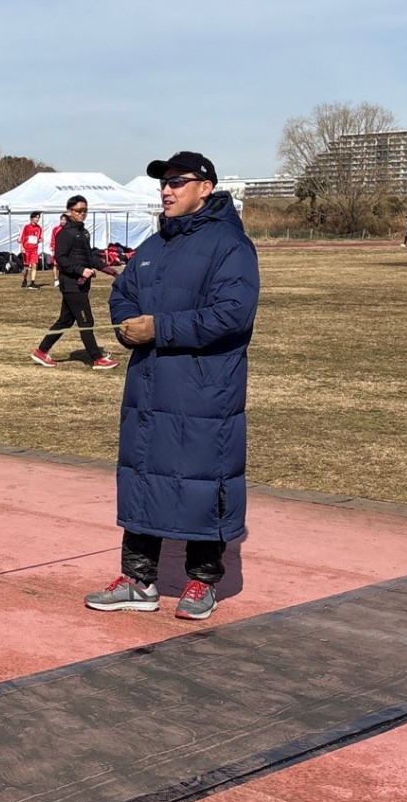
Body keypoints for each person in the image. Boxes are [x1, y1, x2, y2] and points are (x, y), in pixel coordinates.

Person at [85, 152, 258, 621]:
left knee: (205, 480)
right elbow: (123, 293)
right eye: (163, 182)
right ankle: (138, 579)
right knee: (142, 476)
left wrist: (159, 328)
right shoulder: (154, 244)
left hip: (204, 389)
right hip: (149, 386)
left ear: (205, 187)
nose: (166, 190)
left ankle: (202, 581)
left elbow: (232, 315)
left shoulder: (230, 245)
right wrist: (126, 324)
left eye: (177, 182)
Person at [31, 196, 117, 370]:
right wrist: (80, 270)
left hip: (82, 283)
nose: (82, 214)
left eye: (85, 210)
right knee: (86, 321)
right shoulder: (65, 233)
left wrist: (106, 269)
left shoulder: (83, 232)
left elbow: (88, 256)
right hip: (71, 283)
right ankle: (96, 358)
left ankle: (41, 351)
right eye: (78, 211)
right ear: (70, 211)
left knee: (65, 320)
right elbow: (60, 258)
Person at [19, 212, 45, 289]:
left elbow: (38, 238)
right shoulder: (26, 227)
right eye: (36, 217)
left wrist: (40, 240)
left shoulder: (39, 228)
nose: (37, 219)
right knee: (26, 267)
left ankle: (32, 282)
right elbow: (22, 238)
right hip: (27, 249)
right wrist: (22, 247)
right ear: (31, 218)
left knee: (34, 265)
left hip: (34, 250)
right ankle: (25, 279)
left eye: (38, 218)